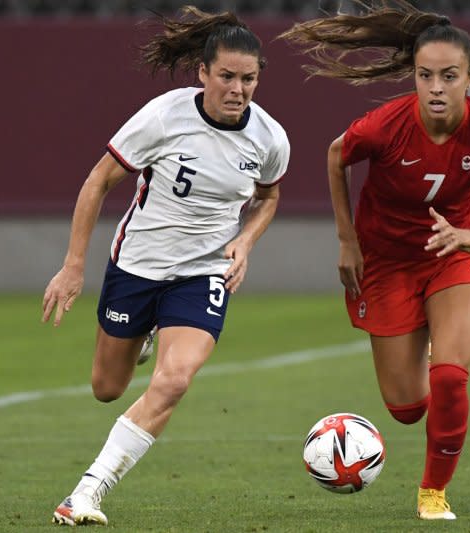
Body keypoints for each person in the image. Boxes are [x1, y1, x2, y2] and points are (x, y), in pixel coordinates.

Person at [41, 6, 290, 526]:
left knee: (174, 381)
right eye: (226, 76)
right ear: (202, 73)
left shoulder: (269, 139)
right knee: (107, 388)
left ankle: (87, 491)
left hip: (203, 273)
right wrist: (72, 265)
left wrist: (246, 241)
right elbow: (98, 182)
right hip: (137, 264)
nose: (238, 89)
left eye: (249, 79)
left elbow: (269, 197)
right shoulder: (164, 116)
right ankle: (145, 332)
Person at [279, 0, 470, 520]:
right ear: (413, 75)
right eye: (425, 75)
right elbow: (337, 153)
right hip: (386, 261)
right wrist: (347, 239)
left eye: (449, 76)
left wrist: (463, 237)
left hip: (454, 253)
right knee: (406, 409)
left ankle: (433, 493)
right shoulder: (385, 126)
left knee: (450, 376)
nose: (436, 87)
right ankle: (430, 340)